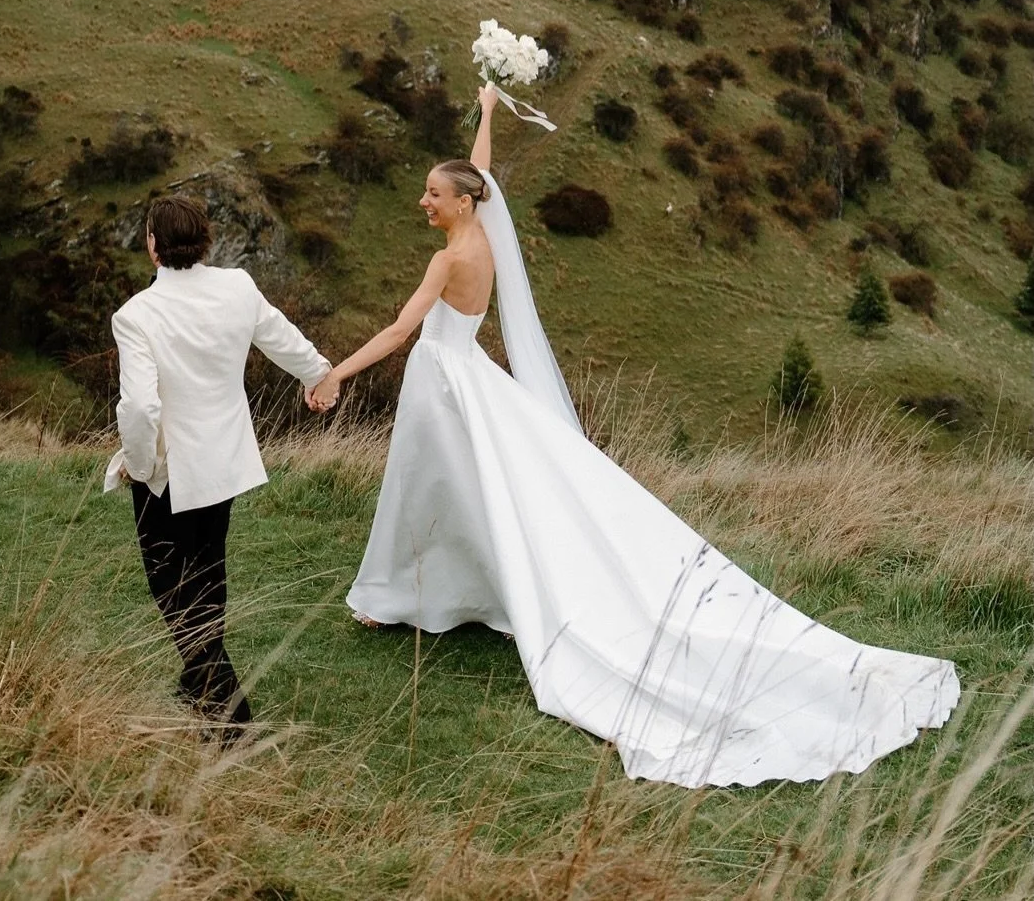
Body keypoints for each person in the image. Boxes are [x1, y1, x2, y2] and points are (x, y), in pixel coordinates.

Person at [307, 85, 959, 787]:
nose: (422, 202)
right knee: (460, 492)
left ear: (460, 203)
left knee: (428, 487)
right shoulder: (484, 234)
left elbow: (403, 331)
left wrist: (334, 372)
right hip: (467, 375)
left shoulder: (446, 259)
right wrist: (487, 112)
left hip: (442, 384)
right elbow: (480, 173)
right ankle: (425, 597)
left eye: (431, 194)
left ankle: (405, 598)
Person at [106, 192, 331, 733]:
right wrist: (319, 374)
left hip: (166, 472)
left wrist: (138, 465)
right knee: (207, 571)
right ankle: (199, 678)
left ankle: (226, 712)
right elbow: (282, 338)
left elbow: (139, 406)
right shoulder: (237, 287)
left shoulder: (136, 315)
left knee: (168, 581)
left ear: (153, 245)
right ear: (205, 240)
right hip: (223, 461)